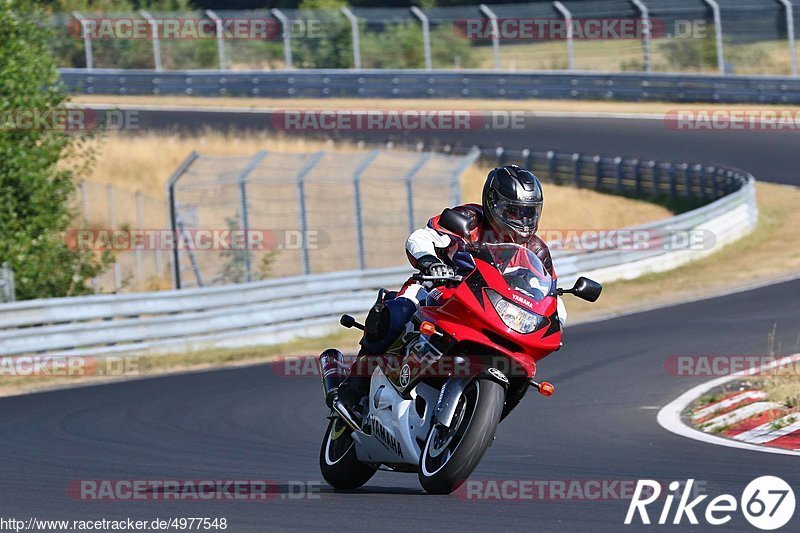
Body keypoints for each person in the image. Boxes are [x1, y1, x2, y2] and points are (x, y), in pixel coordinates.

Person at [332, 165, 566, 413]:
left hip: (491, 308)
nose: (523, 221)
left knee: (523, 362)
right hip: (441, 288)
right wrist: (430, 261)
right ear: (493, 203)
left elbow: (549, 290)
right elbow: (420, 238)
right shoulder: (468, 220)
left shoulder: (537, 250)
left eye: (529, 213)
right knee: (398, 311)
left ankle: (476, 414)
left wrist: (556, 316)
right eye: (514, 212)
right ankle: (352, 388)